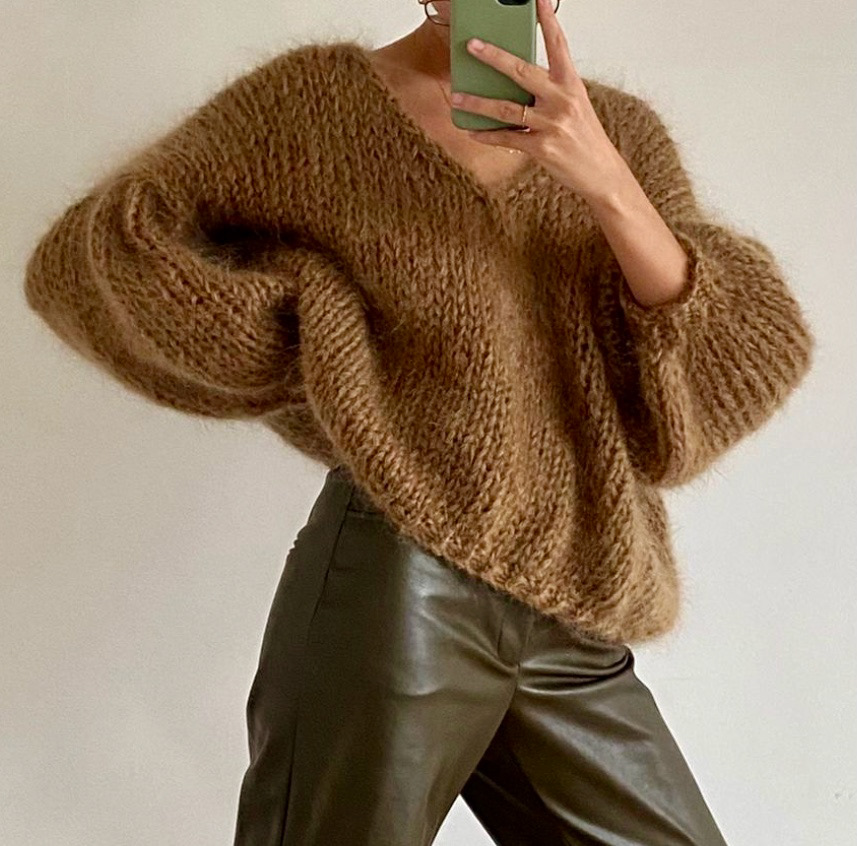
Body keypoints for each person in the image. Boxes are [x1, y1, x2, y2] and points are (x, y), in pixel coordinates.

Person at [23, 0, 815, 843]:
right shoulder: (308, 106)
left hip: (575, 602)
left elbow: (740, 364)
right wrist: (309, 328)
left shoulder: (617, 133)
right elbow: (95, 257)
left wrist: (607, 183)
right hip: (400, 582)